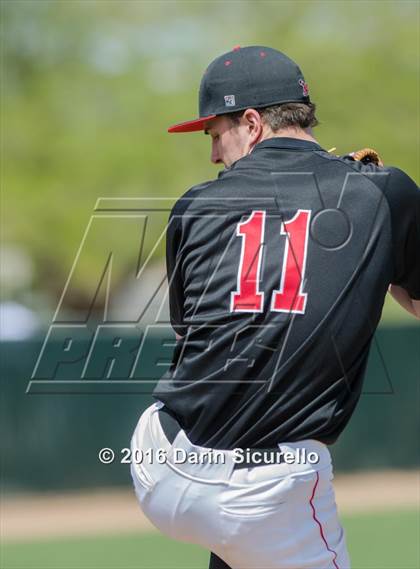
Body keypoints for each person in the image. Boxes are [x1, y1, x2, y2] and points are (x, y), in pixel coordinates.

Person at [130, 46, 419, 569]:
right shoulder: (380, 192)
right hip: (268, 487)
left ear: (252, 122)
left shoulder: (196, 205)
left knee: (241, 530)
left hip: (160, 459)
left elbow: (196, 337)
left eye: (215, 134)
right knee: (263, 507)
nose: (215, 154)